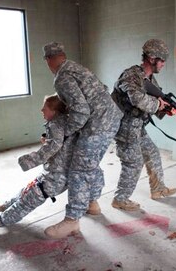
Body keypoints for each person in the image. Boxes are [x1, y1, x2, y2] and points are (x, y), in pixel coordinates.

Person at [0, 94, 78, 236]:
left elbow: (53, 147)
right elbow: (60, 146)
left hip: (56, 178)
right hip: (52, 173)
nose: (41, 111)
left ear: (54, 110)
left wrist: (26, 160)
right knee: (25, 192)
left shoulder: (56, 124)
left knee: (24, 204)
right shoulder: (62, 122)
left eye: (44, 108)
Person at [42, 42, 123, 239]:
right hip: (111, 120)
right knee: (90, 164)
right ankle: (92, 203)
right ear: (63, 54)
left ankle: (72, 221)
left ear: (48, 60)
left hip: (97, 126)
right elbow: (101, 89)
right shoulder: (78, 68)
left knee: (78, 169)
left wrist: (66, 133)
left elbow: (81, 110)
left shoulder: (61, 77)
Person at [111, 39, 176, 211]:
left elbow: (155, 103)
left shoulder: (150, 80)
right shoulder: (131, 75)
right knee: (133, 163)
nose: (163, 64)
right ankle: (120, 198)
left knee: (152, 154)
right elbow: (138, 99)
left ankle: (158, 189)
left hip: (137, 127)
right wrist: (158, 105)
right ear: (152, 58)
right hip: (124, 128)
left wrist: (167, 110)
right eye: (162, 60)